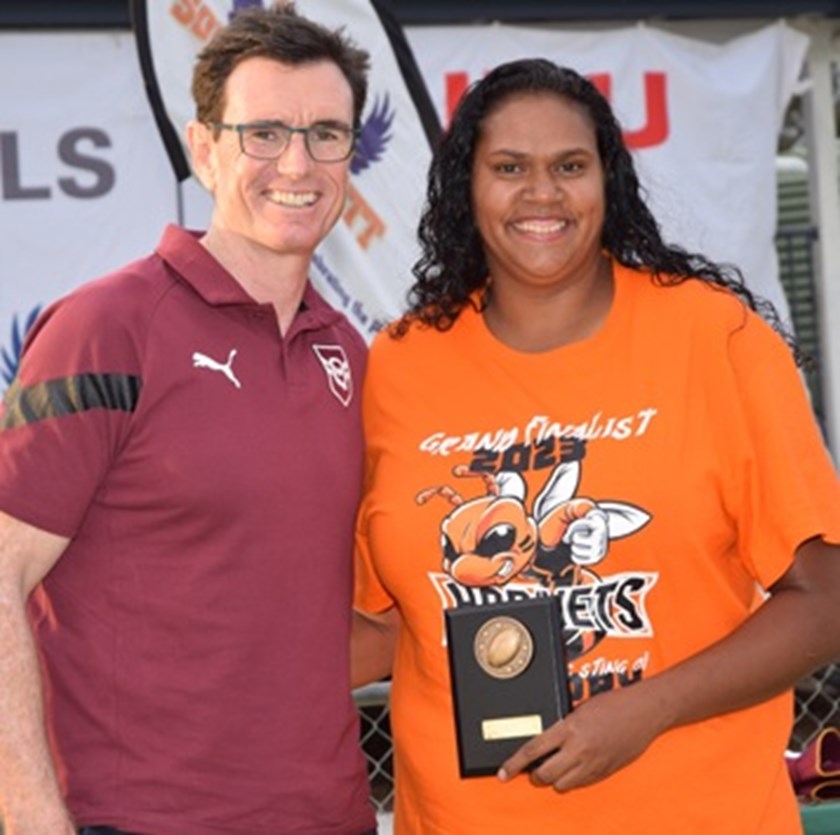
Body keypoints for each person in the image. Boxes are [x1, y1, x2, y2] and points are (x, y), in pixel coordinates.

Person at [352, 58, 840, 834]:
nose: (541, 193)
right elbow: (382, 624)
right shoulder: (399, 365)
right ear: (465, 188)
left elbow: (823, 599)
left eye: (569, 166)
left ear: (607, 181)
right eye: (509, 167)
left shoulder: (716, 340)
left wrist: (649, 709)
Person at [0, 5, 378, 834]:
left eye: (326, 134)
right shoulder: (105, 327)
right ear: (205, 149)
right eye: (265, 133)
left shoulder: (348, 349)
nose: (298, 162)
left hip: (333, 817)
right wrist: (31, 815)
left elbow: (304, 603)